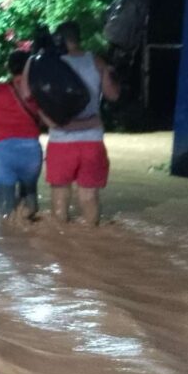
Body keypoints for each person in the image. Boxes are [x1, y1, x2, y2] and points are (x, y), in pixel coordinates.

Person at [42, 21, 120, 225]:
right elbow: (112, 95)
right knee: (89, 196)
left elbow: (39, 101)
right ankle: (92, 243)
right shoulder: (96, 61)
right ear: (79, 38)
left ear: (59, 39)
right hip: (91, 139)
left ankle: (60, 246)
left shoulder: (52, 64)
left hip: (61, 141)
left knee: (60, 196)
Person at [0, 50, 43, 220]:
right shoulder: (37, 91)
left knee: (6, 210)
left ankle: (9, 240)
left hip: (1, 152)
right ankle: (32, 239)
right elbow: (44, 120)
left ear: (9, 68)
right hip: (31, 152)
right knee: (30, 202)